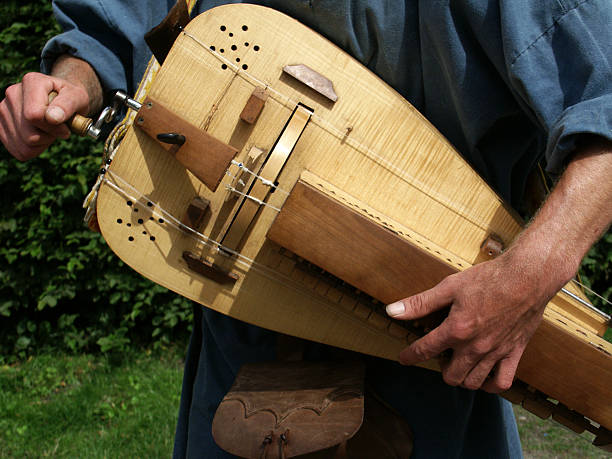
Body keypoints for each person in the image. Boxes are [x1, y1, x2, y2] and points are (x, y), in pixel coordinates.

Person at [1, 1, 611, 457]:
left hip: (440, 347)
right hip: (245, 321)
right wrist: (77, 77)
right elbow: (114, 20)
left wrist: (527, 276)